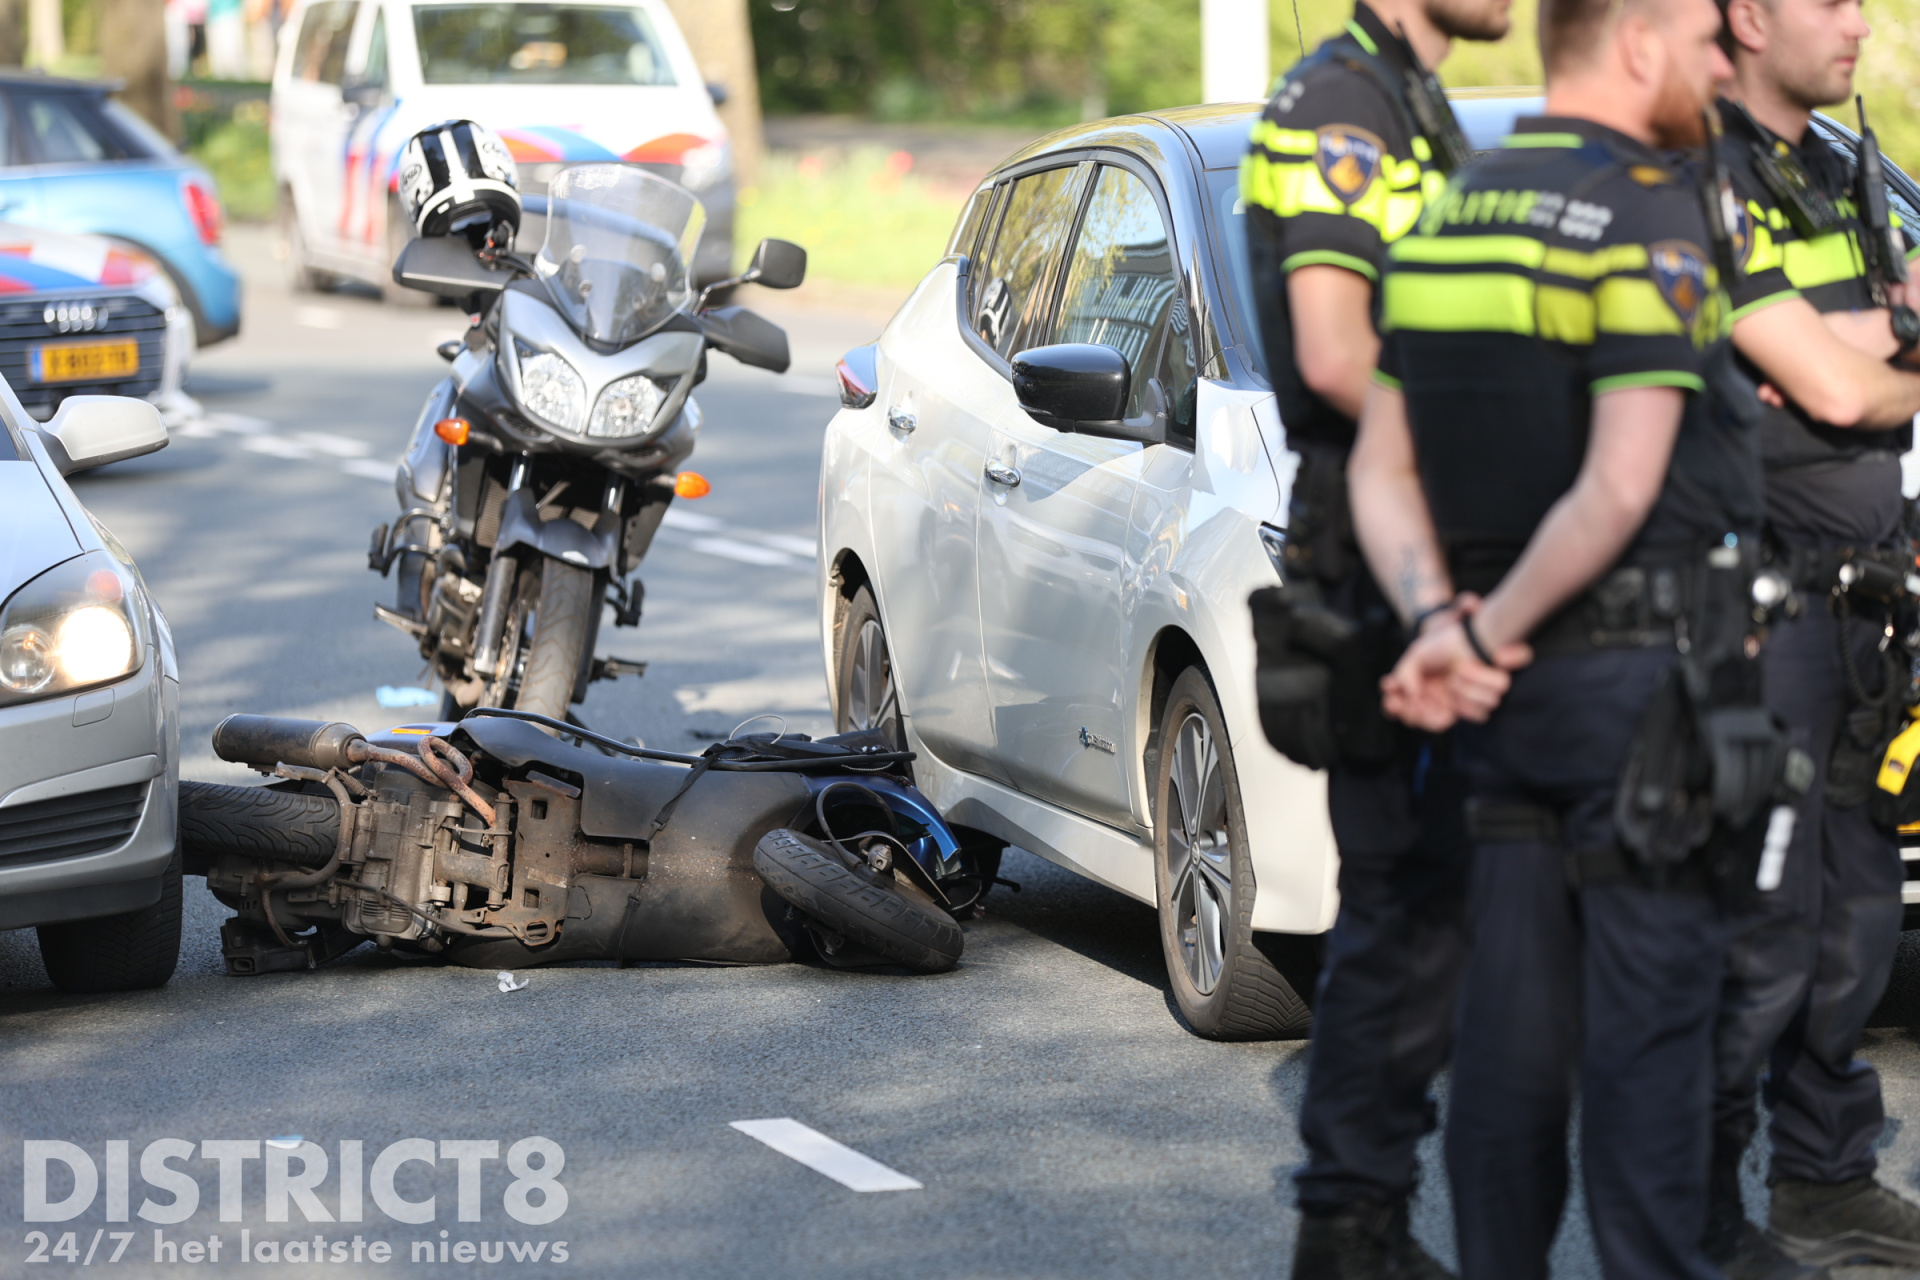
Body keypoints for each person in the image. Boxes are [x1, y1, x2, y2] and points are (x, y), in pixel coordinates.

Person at [1347, 0, 1758, 1274]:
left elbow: (1381, 462)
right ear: (1636, 38)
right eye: (1703, 39)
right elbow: (1620, 487)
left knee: (1509, 1052)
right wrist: (1494, 631)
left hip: (1498, 718)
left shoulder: (1447, 211)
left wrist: (1438, 623)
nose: (1718, 63)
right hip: (1632, 701)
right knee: (1647, 1069)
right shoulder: (1646, 208)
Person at [1240, 0, 1510, 1274]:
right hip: (1377, 554)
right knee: (1401, 914)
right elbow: (1340, 353)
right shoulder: (1343, 105)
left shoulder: (1414, 102)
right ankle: (1347, 1230)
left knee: (1431, 915)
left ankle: (1368, 1219)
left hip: (1431, 542)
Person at [1702, 1, 1920, 1273]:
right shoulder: (1697, 173)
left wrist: (1860, 347)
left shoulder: (1846, 166)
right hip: (1755, 617)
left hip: (1863, 610)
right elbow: (1831, 390)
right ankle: (1692, 1211)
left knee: (1855, 927)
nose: (1858, 23)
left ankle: (1826, 1178)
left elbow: (1852, 359)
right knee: (1758, 935)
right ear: (1743, 14)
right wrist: (1863, 354)